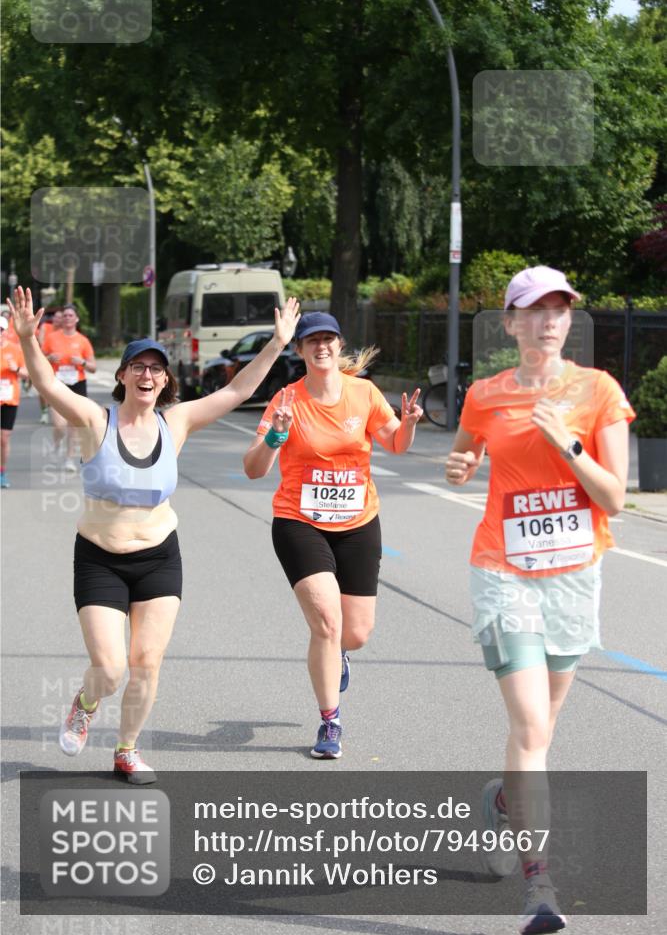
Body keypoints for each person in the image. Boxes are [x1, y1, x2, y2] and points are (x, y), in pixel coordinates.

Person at [9, 285, 300, 784]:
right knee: (110, 668)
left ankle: (126, 749)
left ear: (165, 379)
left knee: (146, 662)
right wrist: (26, 339)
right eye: (138, 367)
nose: (147, 375)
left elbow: (236, 392)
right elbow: (47, 384)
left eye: (156, 369)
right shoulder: (94, 420)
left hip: (159, 558)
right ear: (122, 376)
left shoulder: (176, 422)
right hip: (100, 558)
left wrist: (276, 343)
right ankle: (84, 704)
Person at [445, 266, 635, 935]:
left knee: (540, 731)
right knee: (530, 729)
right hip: (504, 571)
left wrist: (569, 444)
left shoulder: (597, 390)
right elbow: (463, 455)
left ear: (568, 320)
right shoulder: (486, 395)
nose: (547, 320)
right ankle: (540, 885)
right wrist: (461, 467)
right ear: (510, 323)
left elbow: (615, 498)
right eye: (532, 309)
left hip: (574, 577)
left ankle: (503, 801)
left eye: (558, 308)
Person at [244, 311, 422, 759]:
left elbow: (396, 444)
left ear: (339, 346)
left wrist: (409, 423)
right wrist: (276, 436)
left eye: (328, 339)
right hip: (299, 522)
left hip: (358, 522)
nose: (321, 346)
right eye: (312, 340)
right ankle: (330, 721)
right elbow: (253, 469)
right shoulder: (287, 398)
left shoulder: (364, 393)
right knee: (326, 621)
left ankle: (339, 652)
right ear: (300, 350)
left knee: (355, 633)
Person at [41, 303, 96, 470]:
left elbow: (93, 367)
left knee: (74, 425)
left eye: (71, 315)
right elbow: (39, 361)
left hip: (77, 385)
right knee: (59, 425)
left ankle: (69, 459)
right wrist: (49, 358)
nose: (67, 318)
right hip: (57, 384)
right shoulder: (52, 338)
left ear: (76, 319)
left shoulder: (83, 341)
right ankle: (57, 444)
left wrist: (82, 362)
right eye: (65, 315)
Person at [0, 315, 29, 488]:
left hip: (9, 400)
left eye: (0, 330)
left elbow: (27, 374)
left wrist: (16, 369)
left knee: (4, 439)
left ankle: (2, 472)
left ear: (5, 332)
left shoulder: (15, 349)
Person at [37, 305, 63, 423]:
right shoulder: (45, 327)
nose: (56, 319)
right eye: (55, 317)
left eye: (59, 318)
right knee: (43, 390)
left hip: (59, 366)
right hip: (45, 360)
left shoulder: (65, 331)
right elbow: (41, 342)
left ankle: (58, 413)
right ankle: (44, 412)